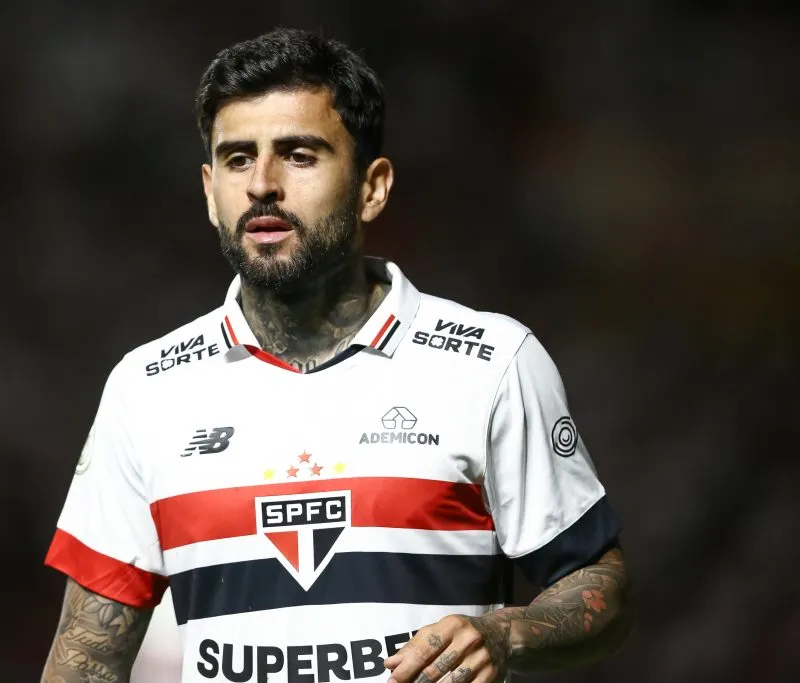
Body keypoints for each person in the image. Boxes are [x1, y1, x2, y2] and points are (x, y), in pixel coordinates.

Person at [40, 27, 631, 683]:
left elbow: (596, 587)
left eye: (298, 155)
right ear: (209, 191)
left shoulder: (491, 363)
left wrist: (504, 632)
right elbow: (84, 658)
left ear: (372, 187)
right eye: (237, 159)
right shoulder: (146, 390)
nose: (262, 183)